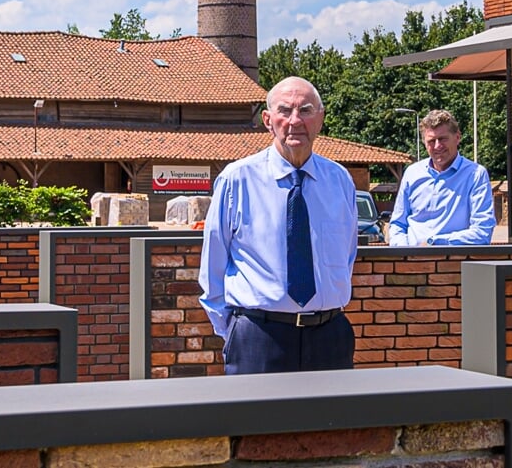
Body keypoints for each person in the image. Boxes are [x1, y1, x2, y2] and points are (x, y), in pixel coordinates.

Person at [198, 76, 359, 374]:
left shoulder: (339, 181)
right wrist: (233, 330)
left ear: (320, 119)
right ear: (268, 120)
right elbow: (213, 267)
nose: (295, 120)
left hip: (329, 338)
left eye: (306, 110)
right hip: (259, 338)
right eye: (285, 111)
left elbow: (347, 256)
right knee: (256, 422)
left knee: (333, 422)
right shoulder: (237, 180)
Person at [383, 109, 495, 246]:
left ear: (458, 137)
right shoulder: (412, 173)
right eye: (431, 141)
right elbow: (397, 224)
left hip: (453, 264)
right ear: (424, 143)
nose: (437, 146)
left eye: (442, 139)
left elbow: (482, 233)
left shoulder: (475, 175)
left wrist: (434, 242)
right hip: (410, 263)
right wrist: (405, 254)